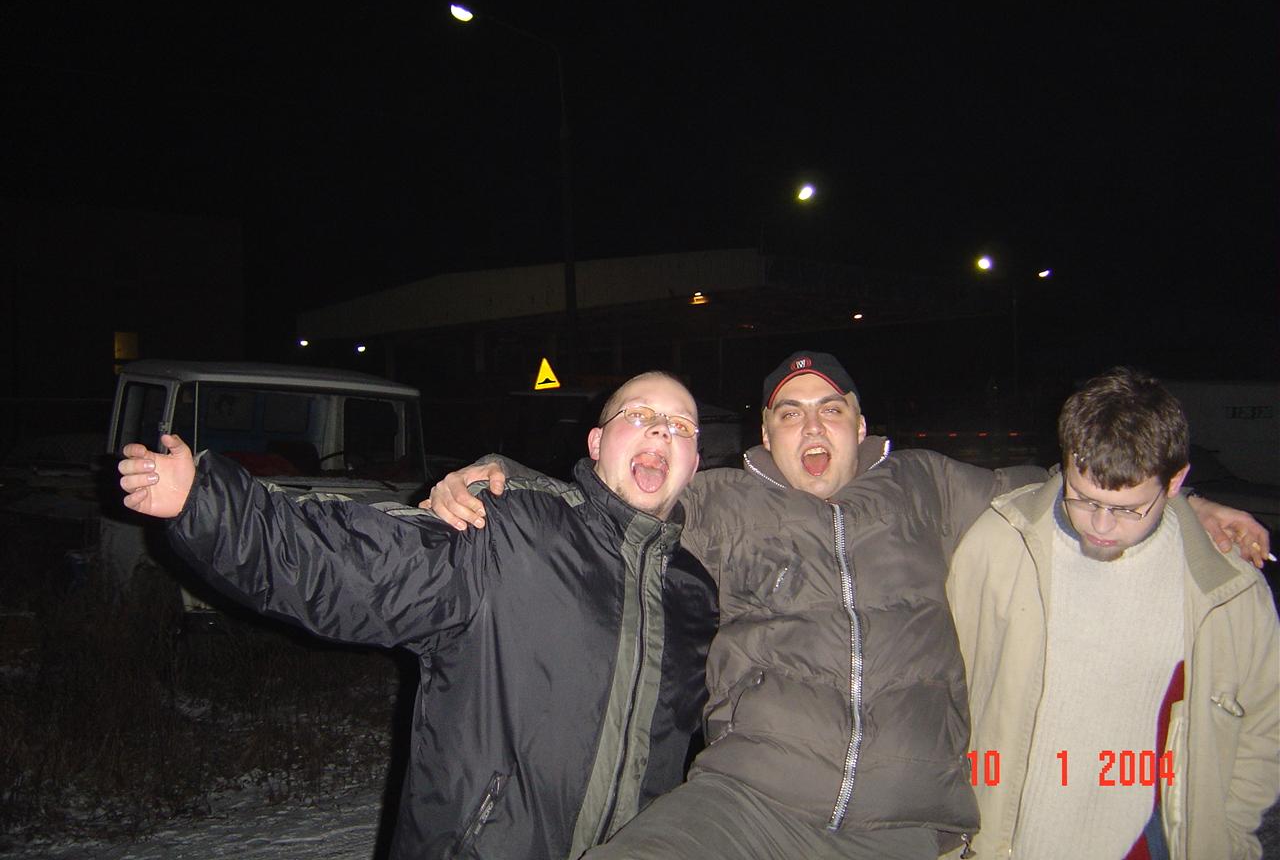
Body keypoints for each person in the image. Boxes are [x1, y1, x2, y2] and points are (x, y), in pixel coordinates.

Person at [430, 352, 1271, 860]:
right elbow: (608, 501)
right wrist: (497, 475)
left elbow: (1061, 493)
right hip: (751, 804)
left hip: (910, 824)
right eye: (789, 414)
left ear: (860, 424)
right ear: (765, 435)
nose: (812, 428)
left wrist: (1189, 506)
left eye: (830, 409)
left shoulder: (926, 484)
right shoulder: (720, 500)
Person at [117, 371, 719, 860]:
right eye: (638, 415)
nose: (660, 430)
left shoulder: (697, 597)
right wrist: (209, 504)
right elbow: (358, 564)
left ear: (694, 463)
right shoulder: (510, 531)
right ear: (595, 443)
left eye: (681, 425)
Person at [944, 368, 1279, 859]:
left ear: (1176, 481)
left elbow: (1264, 724)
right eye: (1084, 499)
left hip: (1150, 844)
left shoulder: (1225, 587)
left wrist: (1229, 829)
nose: (1100, 526)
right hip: (1011, 843)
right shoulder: (1000, 545)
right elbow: (947, 693)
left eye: (1126, 509)